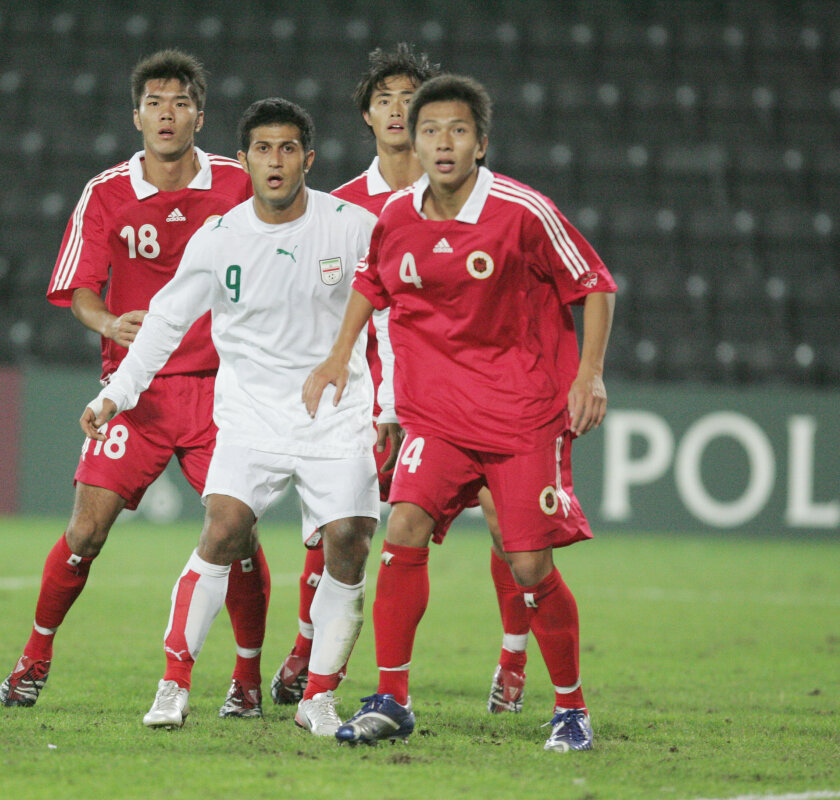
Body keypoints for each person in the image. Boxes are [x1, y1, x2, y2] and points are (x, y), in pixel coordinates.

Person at [305, 74, 615, 751]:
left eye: (458, 131)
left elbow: (594, 284)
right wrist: (337, 356)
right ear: (413, 143)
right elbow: (370, 282)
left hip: (521, 415)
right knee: (404, 528)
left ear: (481, 143)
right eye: (431, 131)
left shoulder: (522, 211)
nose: (443, 143)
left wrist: (588, 374)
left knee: (528, 566)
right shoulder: (396, 216)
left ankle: (571, 709)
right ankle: (392, 698)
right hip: (439, 417)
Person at [82, 98, 383, 736]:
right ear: (243, 161)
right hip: (251, 416)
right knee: (223, 529)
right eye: (263, 149)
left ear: (308, 158)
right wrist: (118, 392)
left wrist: (394, 403)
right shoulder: (219, 237)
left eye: (288, 148)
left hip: (336, 414)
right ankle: (173, 683)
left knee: (351, 541)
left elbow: (391, 315)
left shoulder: (352, 227)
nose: (276, 161)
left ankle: (318, 697)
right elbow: (165, 321)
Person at [0, 50, 272, 719]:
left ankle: (246, 678)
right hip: (136, 390)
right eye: (155, 103)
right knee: (85, 531)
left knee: (237, 535)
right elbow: (79, 288)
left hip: (221, 390)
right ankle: (33, 659)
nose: (167, 114)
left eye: (180, 102)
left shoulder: (238, 184)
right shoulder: (106, 193)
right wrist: (107, 322)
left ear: (200, 116)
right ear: (137, 116)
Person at [271, 44, 535, 718]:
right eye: (383, 98)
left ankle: (512, 659)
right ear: (367, 114)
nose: (396, 109)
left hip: (462, 392)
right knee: (337, 526)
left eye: (408, 98)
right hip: (364, 398)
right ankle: (307, 650)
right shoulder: (337, 207)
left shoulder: (475, 198)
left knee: (506, 525)